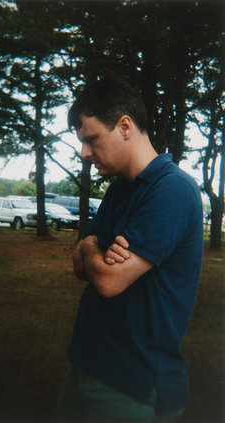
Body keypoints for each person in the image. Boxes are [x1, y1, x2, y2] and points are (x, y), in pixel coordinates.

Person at [57, 78, 204, 421]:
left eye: (91, 139)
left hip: (131, 385)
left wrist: (90, 245)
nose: (84, 153)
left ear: (124, 126)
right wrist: (94, 249)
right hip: (85, 365)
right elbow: (80, 264)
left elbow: (108, 281)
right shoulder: (119, 190)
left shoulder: (172, 190)